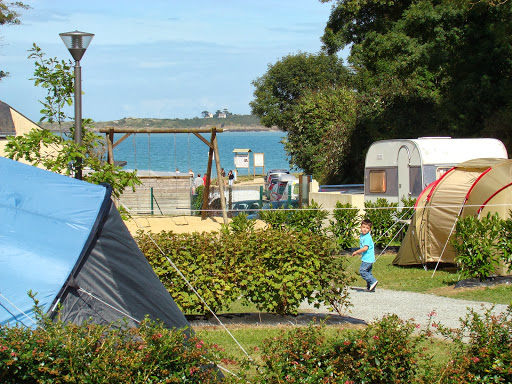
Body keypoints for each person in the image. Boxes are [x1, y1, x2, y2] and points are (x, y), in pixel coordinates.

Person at [352, 219, 378, 292]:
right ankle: (370, 286)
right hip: (367, 258)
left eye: (367, 228)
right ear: (360, 227)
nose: (365, 229)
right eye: (363, 227)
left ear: (370, 229)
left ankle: (373, 281)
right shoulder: (362, 235)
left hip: (368, 258)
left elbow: (365, 248)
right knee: (368, 272)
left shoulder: (367, 237)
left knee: (362, 271)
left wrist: (356, 252)